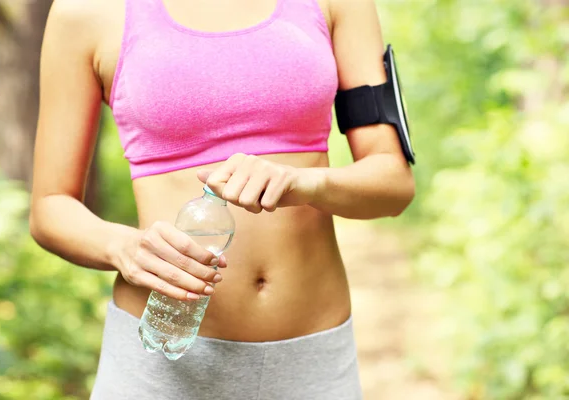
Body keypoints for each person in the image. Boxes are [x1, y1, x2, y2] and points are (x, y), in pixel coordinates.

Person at [30, 0, 415, 398]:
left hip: (312, 366)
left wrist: (305, 184)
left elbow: (393, 186)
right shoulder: (85, 11)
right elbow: (50, 207)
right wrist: (123, 247)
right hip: (162, 368)